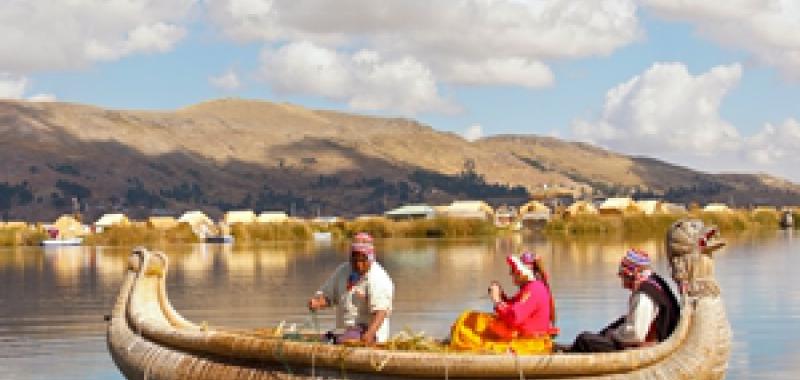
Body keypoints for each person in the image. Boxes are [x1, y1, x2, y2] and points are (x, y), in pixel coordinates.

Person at [568, 249, 680, 353]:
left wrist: (613, 334)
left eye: (623, 276)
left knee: (584, 339)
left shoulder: (644, 295)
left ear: (632, 274)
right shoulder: (655, 282)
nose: (622, 281)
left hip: (647, 346)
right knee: (619, 322)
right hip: (650, 340)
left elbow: (636, 334)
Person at [450, 252, 558, 354]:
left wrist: (497, 301)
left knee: (468, 335)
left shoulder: (534, 290)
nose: (510, 274)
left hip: (530, 344)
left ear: (522, 273)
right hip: (524, 339)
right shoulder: (530, 288)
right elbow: (514, 306)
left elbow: (514, 318)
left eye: (513, 270)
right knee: (470, 318)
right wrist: (502, 297)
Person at [308, 232, 394, 346]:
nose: (359, 265)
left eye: (363, 260)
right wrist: (317, 303)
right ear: (351, 258)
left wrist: (369, 334)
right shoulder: (343, 271)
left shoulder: (378, 278)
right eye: (355, 260)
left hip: (370, 333)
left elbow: (381, 312)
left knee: (343, 340)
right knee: (326, 340)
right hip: (344, 331)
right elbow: (329, 297)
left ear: (370, 258)